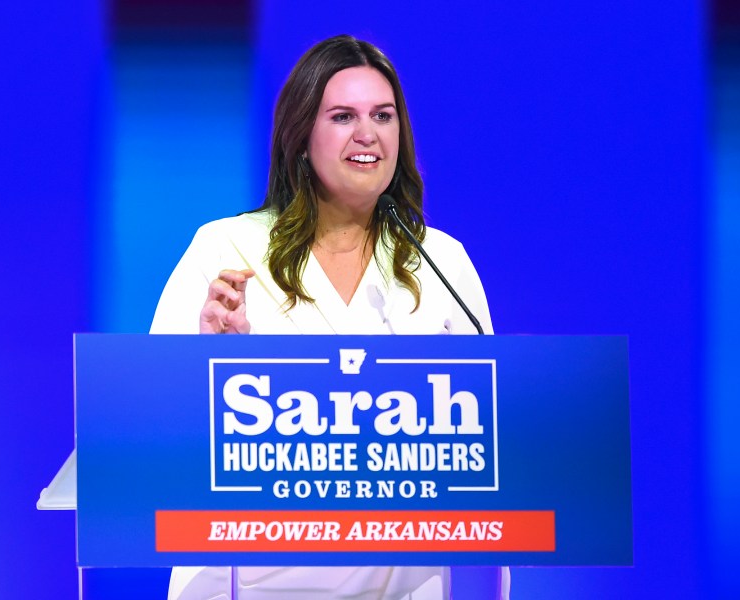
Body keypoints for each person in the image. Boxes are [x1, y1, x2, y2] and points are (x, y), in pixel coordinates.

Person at [151, 34, 509, 600]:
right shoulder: (226, 250)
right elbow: (149, 426)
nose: (367, 134)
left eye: (383, 116)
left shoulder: (441, 262)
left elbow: (496, 448)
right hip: (248, 585)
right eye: (343, 116)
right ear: (302, 136)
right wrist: (213, 357)